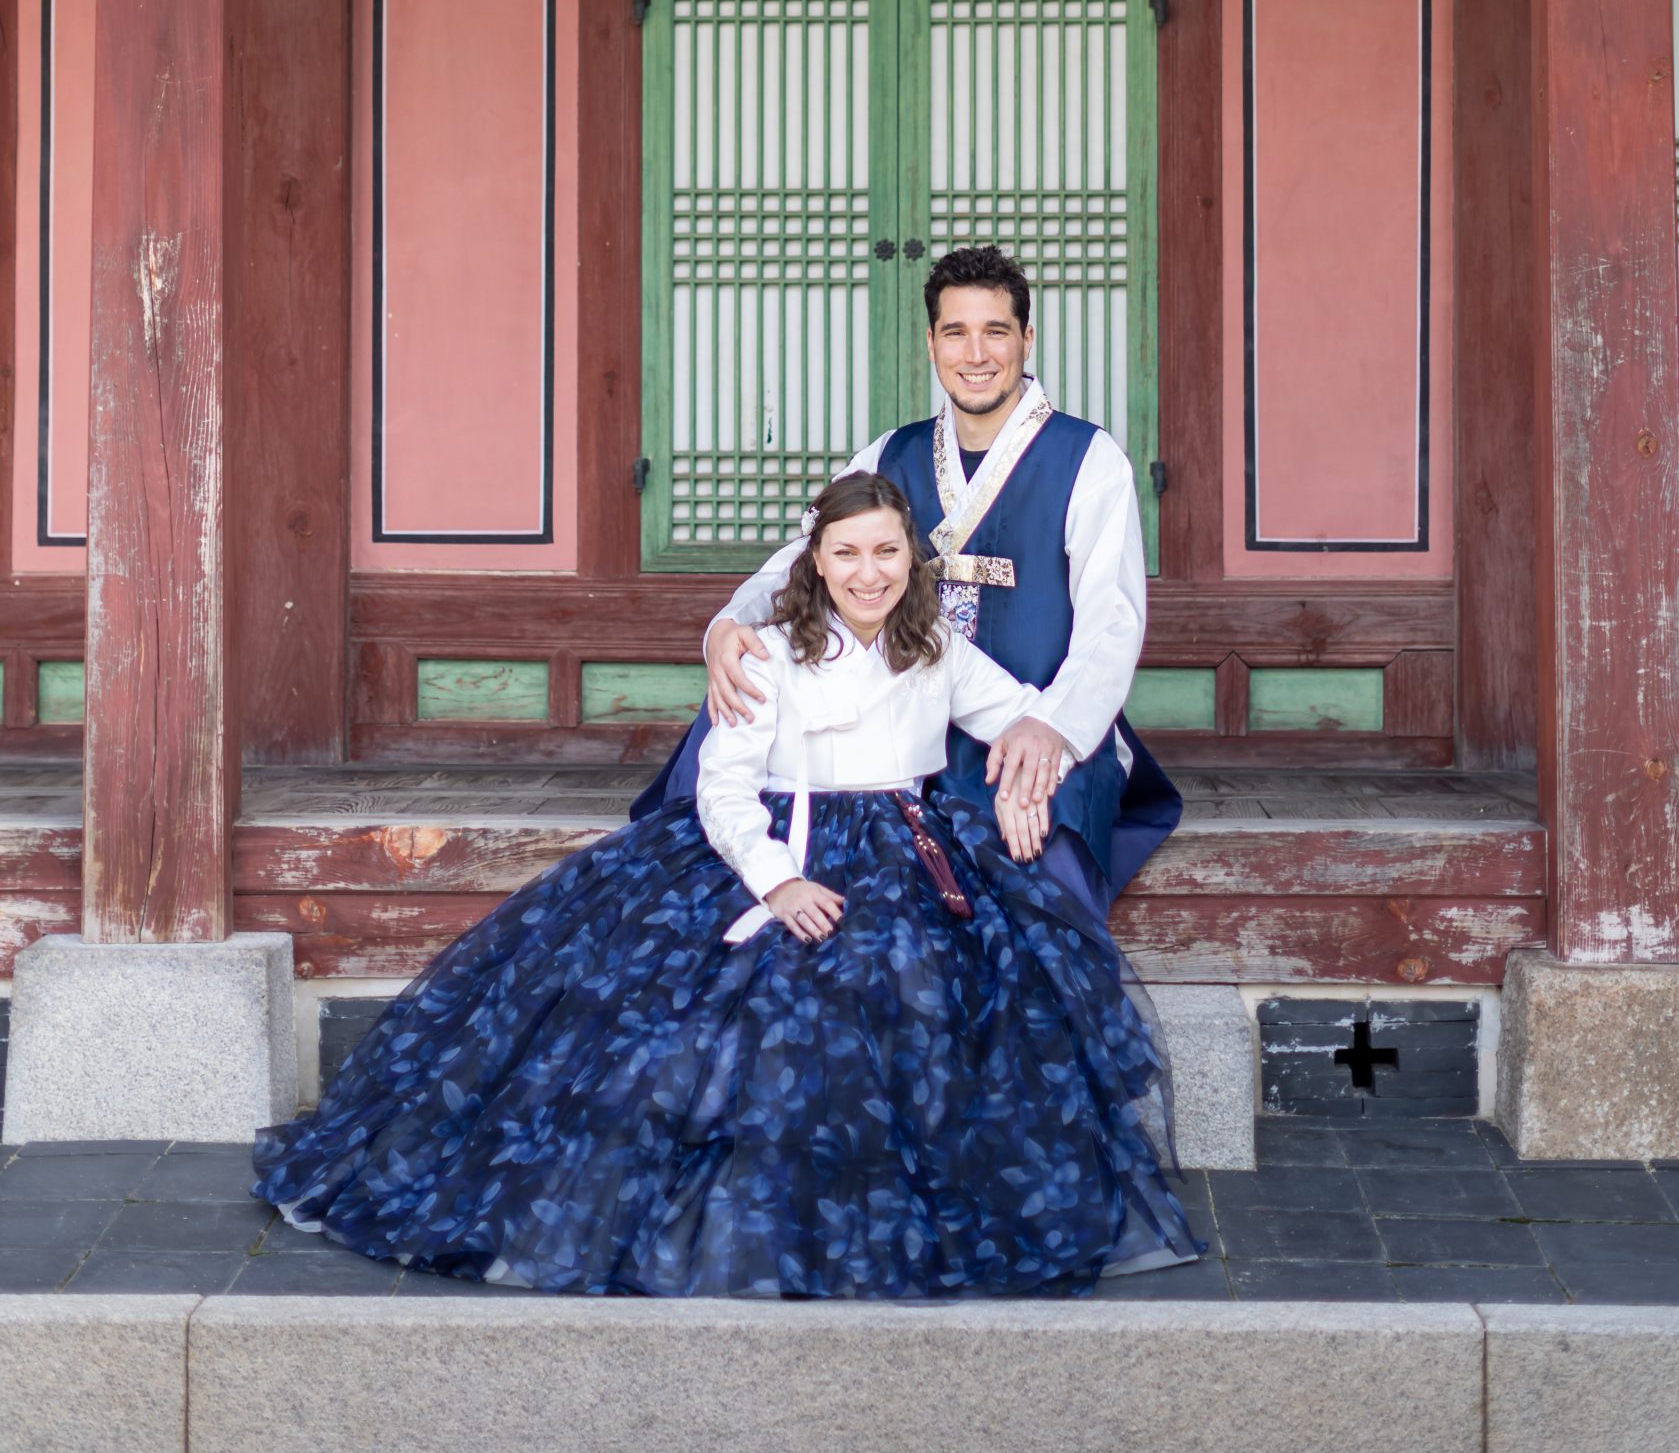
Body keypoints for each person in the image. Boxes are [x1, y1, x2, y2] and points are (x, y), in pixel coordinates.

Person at [249, 472, 1201, 1297]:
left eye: (885, 553)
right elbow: (722, 785)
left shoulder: (935, 649)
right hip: (780, 845)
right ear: (816, 561)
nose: (868, 573)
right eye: (846, 554)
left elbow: (1027, 719)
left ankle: (891, 1215)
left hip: (913, 846)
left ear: (912, 560)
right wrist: (780, 883)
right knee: (739, 1021)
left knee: (929, 1003)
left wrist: (1037, 764)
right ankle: (744, 1219)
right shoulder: (774, 650)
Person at [635, 243, 1181, 935]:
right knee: (732, 721)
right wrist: (725, 626)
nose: (974, 353)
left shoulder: (1085, 457)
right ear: (931, 343)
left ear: (1026, 338)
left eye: (995, 331)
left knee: (1033, 854)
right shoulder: (890, 452)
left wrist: (1050, 729)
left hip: (1032, 710)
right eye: (955, 332)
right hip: (899, 699)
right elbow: (804, 555)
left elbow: (1113, 620)